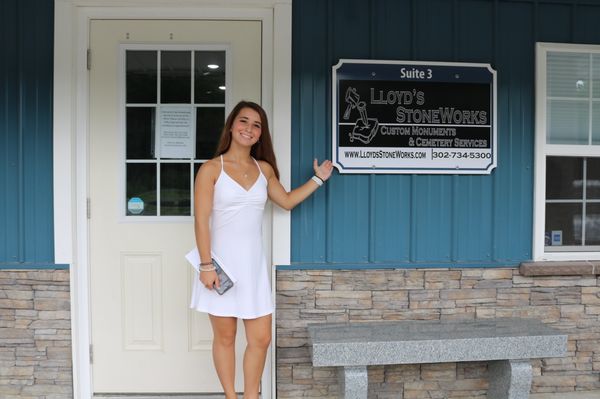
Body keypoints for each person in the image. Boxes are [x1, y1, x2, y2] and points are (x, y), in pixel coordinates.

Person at [190, 100, 333, 399]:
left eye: (257, 125)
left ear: (260, 134)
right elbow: (201, 220)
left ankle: (251, 396)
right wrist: (206, 266)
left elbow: (287, 201)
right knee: (226, 337)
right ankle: (231, 396)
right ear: (232, 125)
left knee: (261, 339)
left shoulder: (264, 168)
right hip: (219, 268)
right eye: (244, 121)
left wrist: (318, 178)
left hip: (252, 268)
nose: (249, 129)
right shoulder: (210, 169)